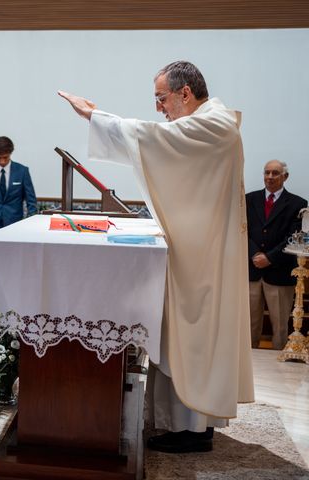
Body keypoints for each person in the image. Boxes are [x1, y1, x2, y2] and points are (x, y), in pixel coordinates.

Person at [59, 60, 254, 453]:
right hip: (197, 250)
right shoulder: (210, 123)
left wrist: (95, 116)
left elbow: (152, 140)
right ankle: (187, 426)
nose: (158, 108)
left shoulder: (213, 124)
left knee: (193, 340)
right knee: (184, 340)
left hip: (203, 261)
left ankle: (192, 431)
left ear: (185, 93)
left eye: (161, 98)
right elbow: (163, 145)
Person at [247, 160, 307, 349]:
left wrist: (270, 258)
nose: (270, 177)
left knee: (280, 327)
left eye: (275, 173)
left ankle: (278, 369)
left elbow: (295, 237)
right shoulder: (249, 199)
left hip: (280, 273)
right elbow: (241, 230)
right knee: (249, 325)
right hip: (252, 271)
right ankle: (250, 366)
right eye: (267, 173)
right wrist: (255, 253)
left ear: (285, 177)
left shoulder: (298, 204)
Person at [0, 136, 37, 235]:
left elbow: (31, 201)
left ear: (10, 153)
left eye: (5, 157)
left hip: (15, 224)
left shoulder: (22, 171)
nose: (2, 161)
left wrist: (30, 223)